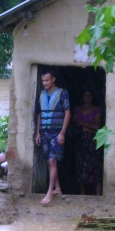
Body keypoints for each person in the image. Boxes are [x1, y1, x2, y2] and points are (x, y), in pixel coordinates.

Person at [35, 70, 71, 205]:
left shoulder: (63, 93)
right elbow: (39, 114)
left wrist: (62, 133)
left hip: (57, 132)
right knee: (50, 162)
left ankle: (50, 193)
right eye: (43, 81)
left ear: (53, 79)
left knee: (52, 161)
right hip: (44, 132)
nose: (45, 83)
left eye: (47, 80)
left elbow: (68, 113)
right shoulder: (42, 94)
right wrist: (38, 133)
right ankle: (58, 189)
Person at [72, 89, 103, 195]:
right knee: (81, 167)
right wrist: (86, 127)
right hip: (80, 142)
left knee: (95, 167)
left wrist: (83, 124)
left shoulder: (97, 110)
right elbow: (74, 124)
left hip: (92, 142)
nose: (87, 98)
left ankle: (98, 194)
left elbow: (97, 127)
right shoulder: (77, 110)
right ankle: (82, 193)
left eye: (89, 95)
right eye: (85, 95)